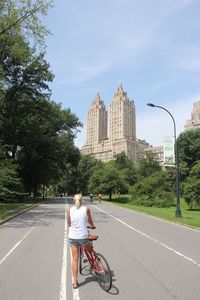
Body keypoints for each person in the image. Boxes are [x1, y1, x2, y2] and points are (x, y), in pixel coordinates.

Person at [68, 194, 95, 289]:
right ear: (82, 201)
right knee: (90, 251)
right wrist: (92, 226)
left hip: (73, 237)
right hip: (83, 237)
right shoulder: (86, 209)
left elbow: (69, 222)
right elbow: (90, 221)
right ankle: (96, 262)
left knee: (75, 259)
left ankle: (75, 282)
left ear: (73, 201)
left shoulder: (70, 209)